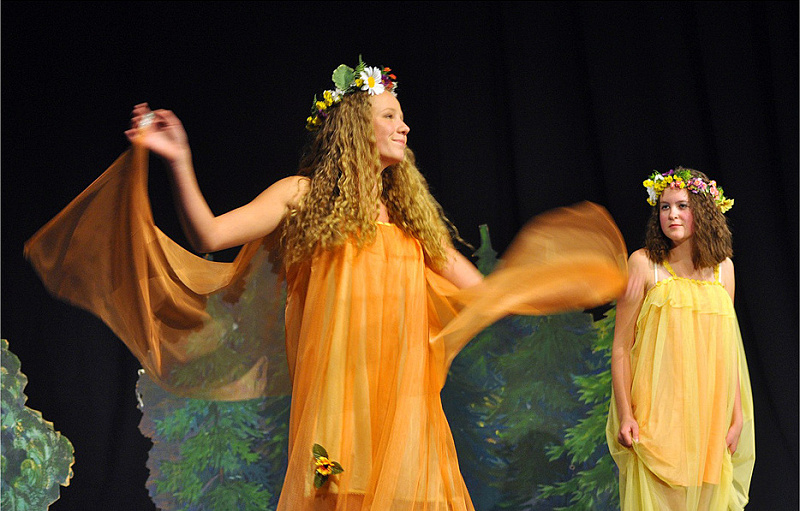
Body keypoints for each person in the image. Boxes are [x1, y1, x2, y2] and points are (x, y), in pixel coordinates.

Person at [26, 57, 628, 510]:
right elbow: (210, 233)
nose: (405, 126)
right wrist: (179, 158)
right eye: (390, 115)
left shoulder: (413, 223)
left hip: (405, 413)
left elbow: (480, 293)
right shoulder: (303, 196)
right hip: (338, 410)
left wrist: (557, 275)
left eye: (402, 116)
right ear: (356, 126)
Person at [607, 168, 755, 510]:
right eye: (664, 207)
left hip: (709, 415)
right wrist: (626, 415)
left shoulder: (724, 269)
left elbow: (727, 349)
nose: (671, 214)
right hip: (658, 416)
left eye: (682, 206)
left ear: (703, 212)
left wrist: (736, 417)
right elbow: (622, 348)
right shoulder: (644, 264)